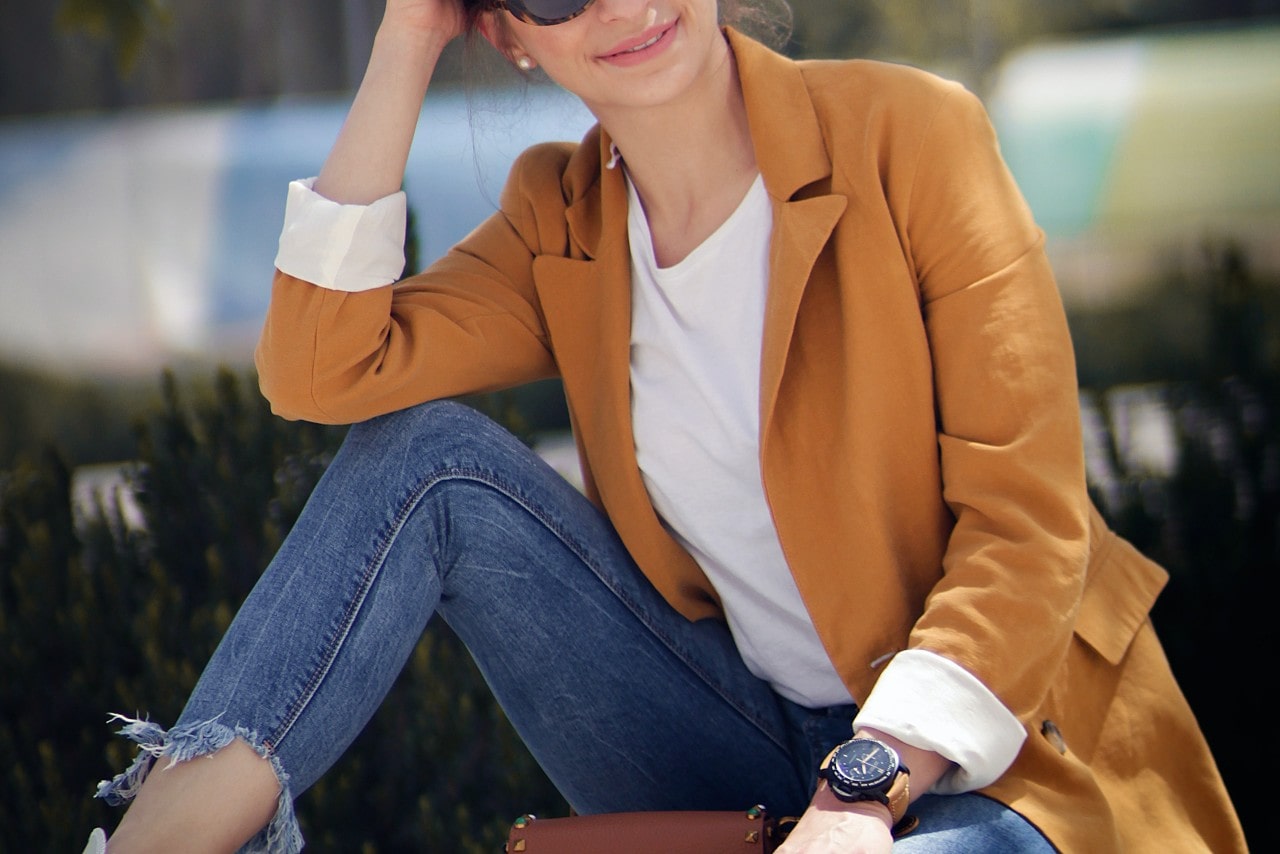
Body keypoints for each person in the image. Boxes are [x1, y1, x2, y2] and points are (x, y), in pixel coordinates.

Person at [86, 0, 1248, 851]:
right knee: (423, 460)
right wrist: (403, 40)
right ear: (507, 32)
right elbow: (320, 367)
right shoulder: (562, 222)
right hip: (742, 750)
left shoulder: (914, 138)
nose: (627, 7)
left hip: (1005, 762)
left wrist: (857, 792)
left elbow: (1025, 530)